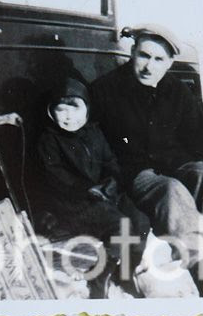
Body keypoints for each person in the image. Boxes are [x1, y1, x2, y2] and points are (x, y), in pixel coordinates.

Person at [89, 24, 203, 297]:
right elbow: (97, 145)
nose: (149, 66)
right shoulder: (106, 90)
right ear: (133, 52)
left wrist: (190, 172)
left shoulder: (177, 92)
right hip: (135, 173)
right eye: (144, 56)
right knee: (171, 191)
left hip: (174, 166)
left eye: (158, 59)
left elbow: (199, 143)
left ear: (169, 63)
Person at [33, 77, 149, 298]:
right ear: (51, 112)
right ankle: (98, 278)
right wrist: (87, 189)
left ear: (87, 109)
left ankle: (125, 273)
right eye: (61, 109)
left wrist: (111, 182)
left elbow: (110, 162)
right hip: (74, 202)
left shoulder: (94, 133)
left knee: (141, 222)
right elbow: (55, 176)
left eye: (75, 108)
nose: (69, 116)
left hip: (104, 194)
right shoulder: (49, 140)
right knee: (121, 227)